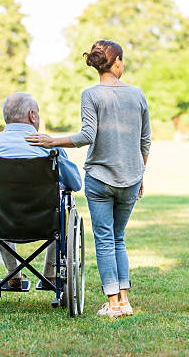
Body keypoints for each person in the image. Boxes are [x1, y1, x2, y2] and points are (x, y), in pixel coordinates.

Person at [26, 40, 151, 318]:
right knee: (118, 238)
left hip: (100, 178)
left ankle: (113, 304)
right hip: (131, 178)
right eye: (123, 60)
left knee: (105, 239)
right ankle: (124, 300)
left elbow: (87, 136)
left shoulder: (90, 95)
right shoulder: (138, 95)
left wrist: (52, 141)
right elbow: (145, 142)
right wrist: (141, 174)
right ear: (116, 61)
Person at [0, 92, 82, 290]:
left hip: (0, 222)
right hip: (45, 223)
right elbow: (76, 184)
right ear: (32, 115)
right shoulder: (49, 147)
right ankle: (51, 275)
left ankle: (13, 277)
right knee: (62, 210)